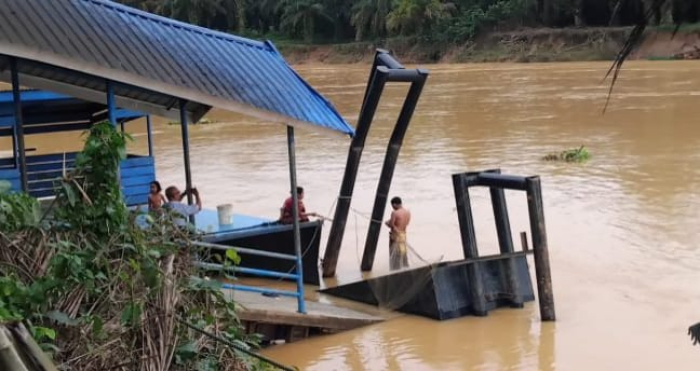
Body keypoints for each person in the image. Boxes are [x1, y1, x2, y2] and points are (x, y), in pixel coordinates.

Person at [385, 196, 411, 270]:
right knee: (403, 254)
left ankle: (395, 271)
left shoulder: (394, 212)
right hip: (403, 235)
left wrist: (386, 223)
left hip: (395, 236)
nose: (393, 208)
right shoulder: (407, 212)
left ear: (394, 204)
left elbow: (392, 225)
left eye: (393, 206)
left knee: (394, 256)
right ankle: (405, 270)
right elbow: (404, 222)